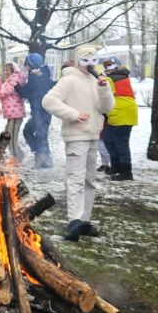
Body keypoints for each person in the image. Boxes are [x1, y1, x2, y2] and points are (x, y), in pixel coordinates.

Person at [42, 47, 115, 242]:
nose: (90, 63)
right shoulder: (68, 80)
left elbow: (108, 108)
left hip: (93, 134)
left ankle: (85, 220)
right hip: (76, 135)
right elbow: (48, 101)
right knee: (75, 178)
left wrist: (104, 88)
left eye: (93, 59)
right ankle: (73, 220)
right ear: (77, 61)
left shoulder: (96, 81)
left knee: (90, 179)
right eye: (85, 59)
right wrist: (73, 114)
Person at [17, 53, 55, 168]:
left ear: (30, 64)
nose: (25, 66)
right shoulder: (42, 74)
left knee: (39, 134)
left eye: (26, 64)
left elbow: (26, 93)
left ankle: (42, 157)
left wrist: (16, 86)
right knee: (36, 133)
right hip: (42, 111)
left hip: (40, 111)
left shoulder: (36, 77)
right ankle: (43, 157)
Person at [103, 58, 137, 181]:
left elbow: (101, 85)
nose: (106, 69)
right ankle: (116, 167)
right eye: (105, 66)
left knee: (121, 145)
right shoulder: (117, 77)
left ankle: (126, 172)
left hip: (123, 115)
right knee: (109, 140)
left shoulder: (112, 78)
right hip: (116, 114)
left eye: (109, 66)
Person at [0, 62, 27, 162]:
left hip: (15, 113)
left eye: (7, 70)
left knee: (11, 136)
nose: (5, 72)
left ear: (12, 70)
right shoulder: (10, 79)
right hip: (12, 112)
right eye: (4, 70)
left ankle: (17, 156)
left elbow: (5, 93)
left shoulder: (13, 80)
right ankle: (13, 154)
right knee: (7, 134)